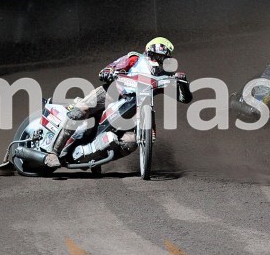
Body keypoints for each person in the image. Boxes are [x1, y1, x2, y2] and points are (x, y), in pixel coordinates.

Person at [43, 37, 193, 168]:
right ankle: (52, 152)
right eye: (157, 56)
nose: (159, 61)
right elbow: (113, 66)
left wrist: (183, 84)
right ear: (149, 52)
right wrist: (108, 71)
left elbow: (184, 99)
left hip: (135, 107)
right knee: (80, 110)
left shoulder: (162, 77)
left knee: (131, 141)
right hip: (112, 93)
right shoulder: (135, 58)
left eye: (163, 58)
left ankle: (96, 155)